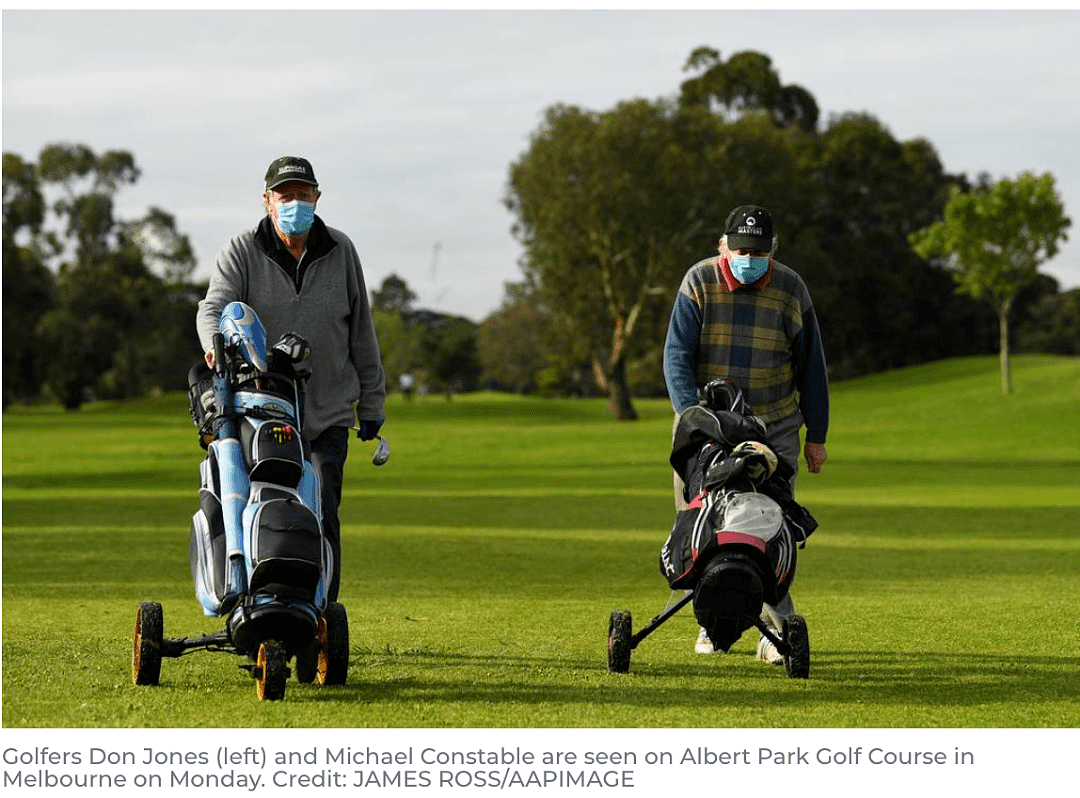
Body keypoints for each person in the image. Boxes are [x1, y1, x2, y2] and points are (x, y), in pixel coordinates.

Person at [196, 156, 386, 603]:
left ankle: (319, 618)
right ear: (267, 201)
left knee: (321, 514)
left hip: (326, 414)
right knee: (252, 508)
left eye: (303, 195)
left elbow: (361, 332)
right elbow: (213, 307)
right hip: (259, 411)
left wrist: (372, 405)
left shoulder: (341, 251)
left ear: (317, 198)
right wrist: (214, 345)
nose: (294, 203)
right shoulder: (242, 250)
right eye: (285, 196)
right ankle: (255, 603)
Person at [662, 204, 829, 660]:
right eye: (741, 249)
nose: (749, 257)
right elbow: (676, 355)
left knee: (769, 527)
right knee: (701, 523)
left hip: (775, 427)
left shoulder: (791, 288)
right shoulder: (698, 281)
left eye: (759, 250)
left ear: (773, 250)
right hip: (708, 427)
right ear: (723, 245)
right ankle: (710, 626)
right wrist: (693, 417)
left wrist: (818, 434)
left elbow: (811, 366)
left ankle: (771, 634)